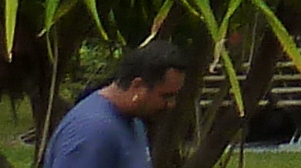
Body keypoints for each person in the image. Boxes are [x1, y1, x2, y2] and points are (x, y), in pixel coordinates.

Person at [42, 39, 193, 168]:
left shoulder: (133, 120)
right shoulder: (93, 131)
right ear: (137, 86)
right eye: (166, 96)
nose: (171, 104)